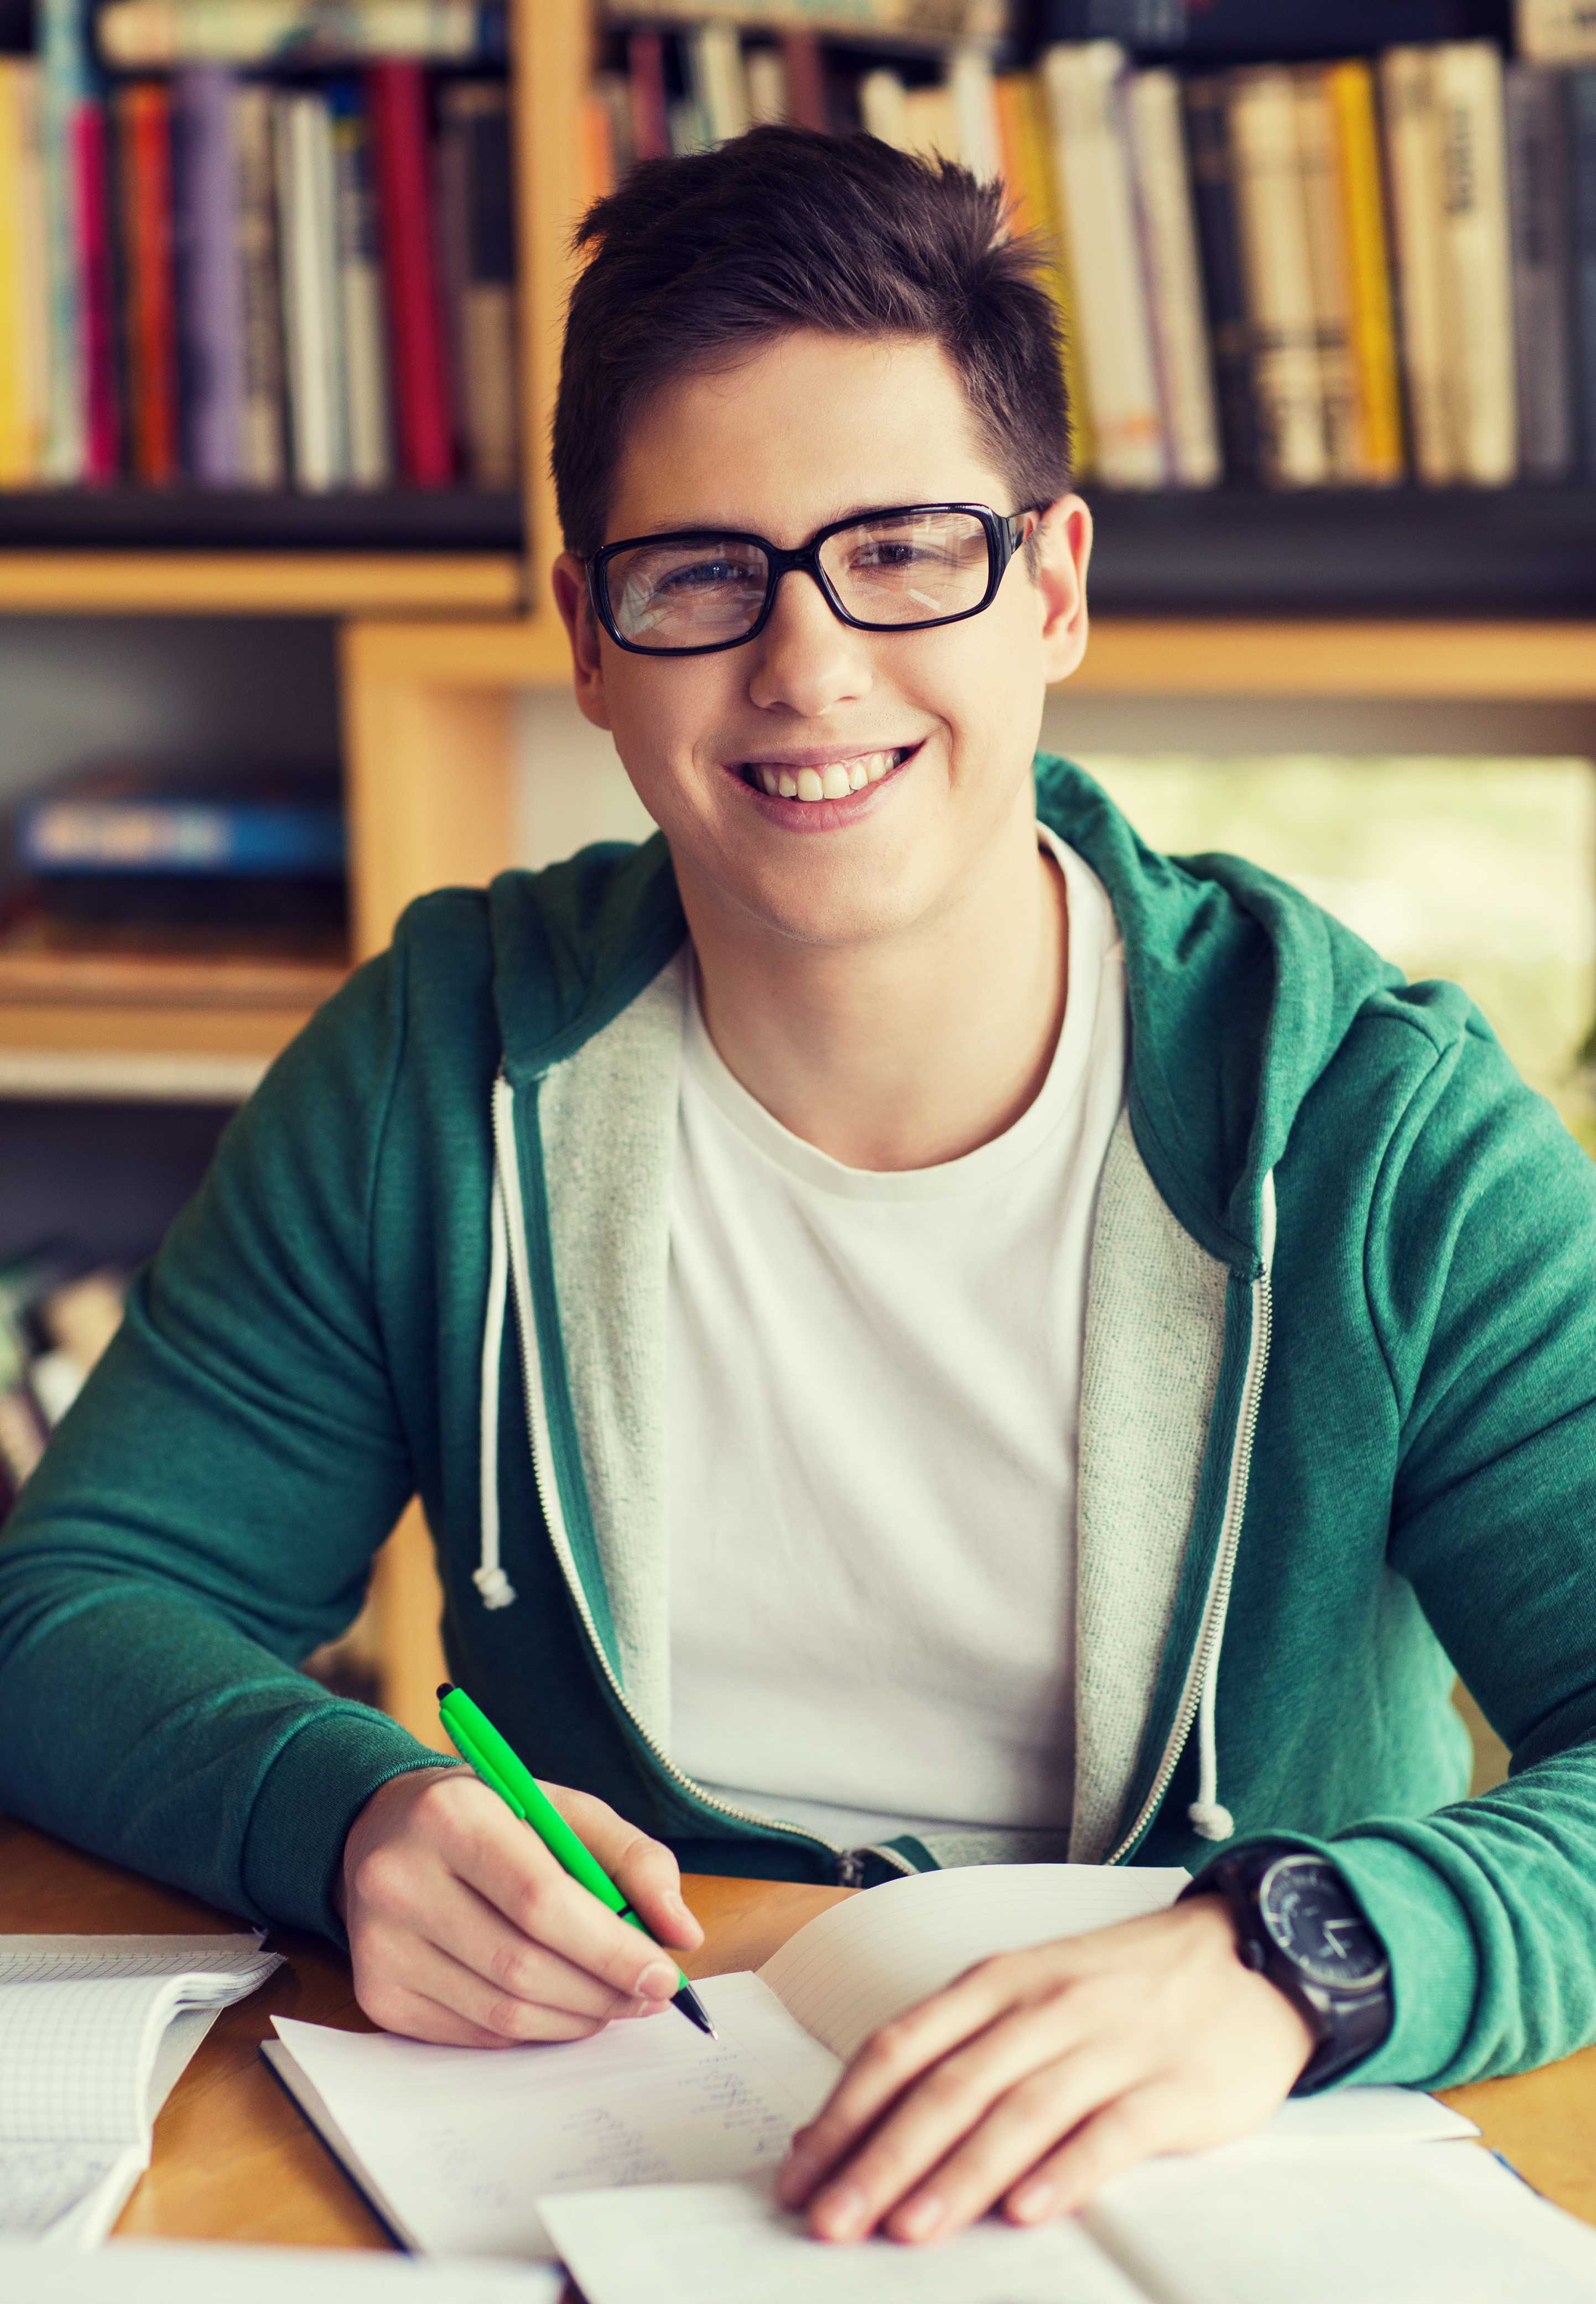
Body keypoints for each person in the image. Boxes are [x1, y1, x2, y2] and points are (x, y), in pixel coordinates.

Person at [3, 122, 1596, 2252]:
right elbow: (69, 1613)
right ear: (590, 633)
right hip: (614, 2185)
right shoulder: (440, 1062)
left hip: (1214, 2198)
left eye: (911, 548)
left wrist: (1294, 1960)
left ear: (1052, 581)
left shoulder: (1374, 1121)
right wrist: (351, 1810)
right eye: (704, 575)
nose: (810, 665)